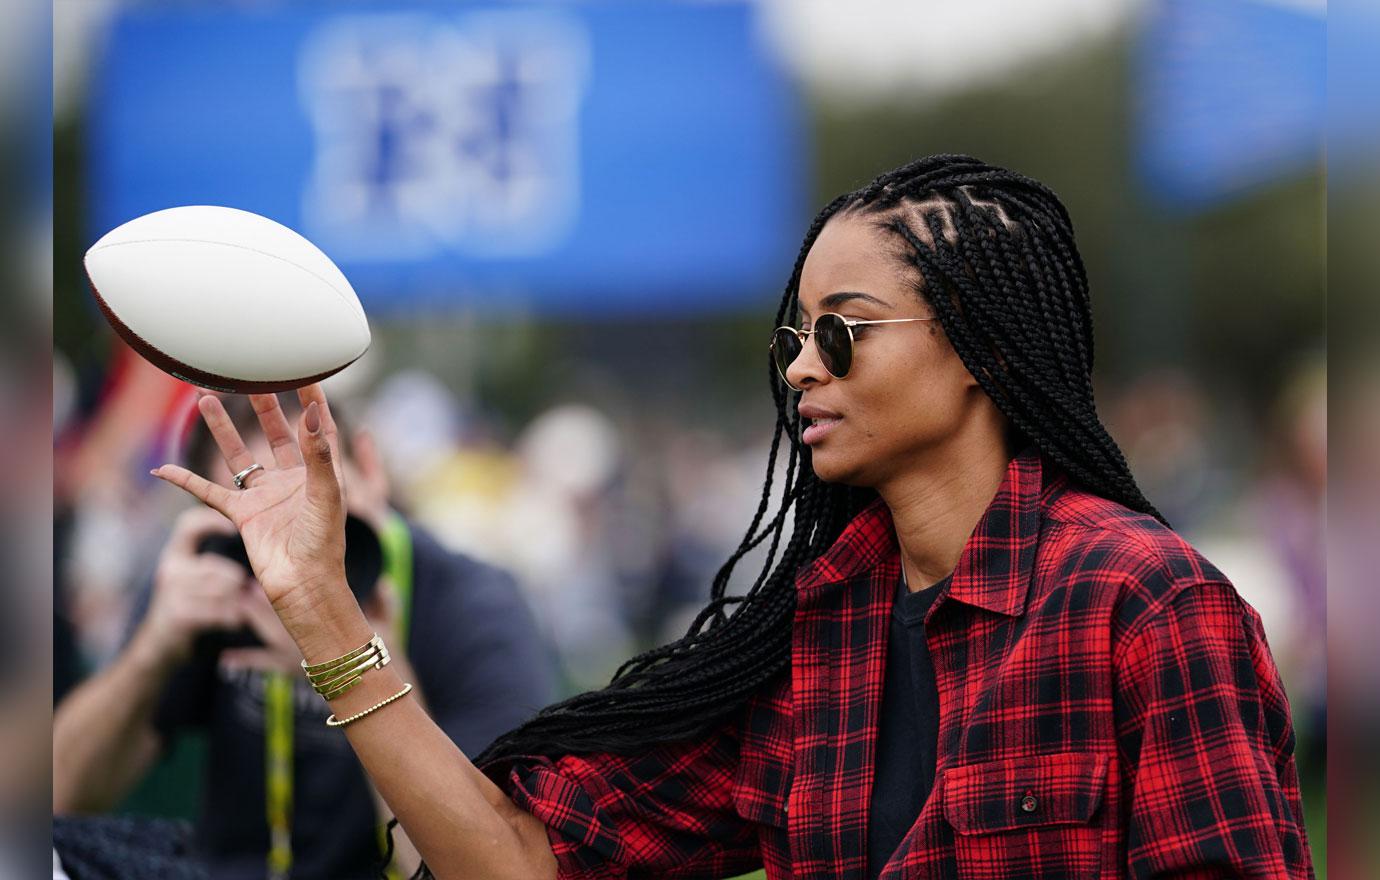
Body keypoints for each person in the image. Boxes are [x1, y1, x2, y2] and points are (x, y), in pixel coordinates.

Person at [147, 155, 1315, 879]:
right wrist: (321, 606)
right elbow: (521, 862)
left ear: (979, 350)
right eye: (793, 337)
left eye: (844, 328)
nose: (803, 367)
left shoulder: (1147, 605)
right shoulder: (813, 632)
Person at [54, 395, 556, 879]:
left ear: (369, 468)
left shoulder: (470, 604)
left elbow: (478, 866)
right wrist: (153, 648)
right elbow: (58, 798)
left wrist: (345, 648)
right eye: (266, 522)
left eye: (325, 498)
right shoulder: (211, 578)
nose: (307, 542)